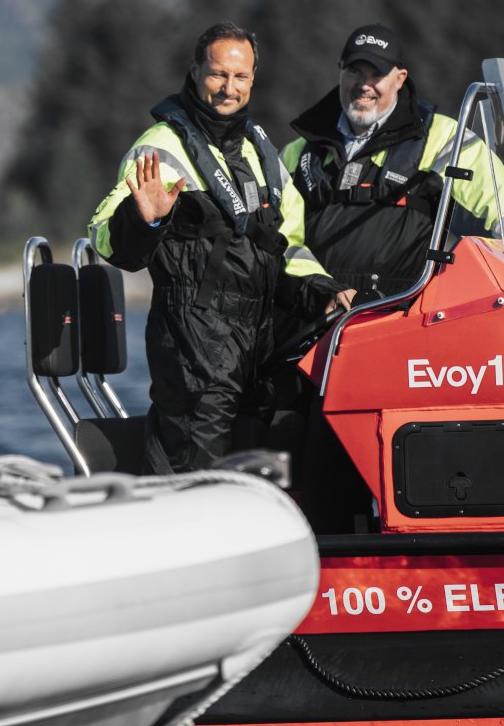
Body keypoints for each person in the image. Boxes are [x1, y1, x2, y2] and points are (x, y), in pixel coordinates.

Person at [88, 24, 354, 474]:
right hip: (195, 342)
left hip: (260, 348)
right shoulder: (161, 150)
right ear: (195, 73)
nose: (229, 88)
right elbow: (105, 238)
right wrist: (144, 217)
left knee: (268, 474)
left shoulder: (261, 151)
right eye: (218, 75)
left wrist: (323, 292)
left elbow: (288, 246)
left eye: (241, 77)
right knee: (195, 480)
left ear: (253, 79)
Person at [283, 24, 504, 300]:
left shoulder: (443, 138)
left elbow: (503, 209)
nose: (363, 84)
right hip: (315, 319)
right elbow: (283, 241)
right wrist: (323, 290)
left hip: (403, 316)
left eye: (377, 74)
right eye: (355, 71)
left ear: (399, 79)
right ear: (340, 71)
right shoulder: (298, 152)